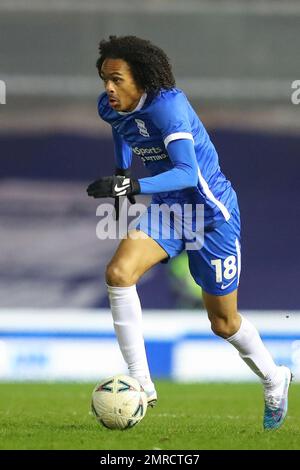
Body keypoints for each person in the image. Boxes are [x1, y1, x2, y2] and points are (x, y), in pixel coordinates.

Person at [87, 35, 292, 430]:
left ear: (141, 78)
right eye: (103, 79)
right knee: (118, 274)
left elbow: (185, 172)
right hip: (168, 211)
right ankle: (141, 383)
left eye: (116, 79)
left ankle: (273, 377)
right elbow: (122, 130)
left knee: (223, 323)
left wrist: (133, 188)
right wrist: (120, 172)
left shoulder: (168, 108)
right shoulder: (108, 106)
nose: (108, 88)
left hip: (211, 215)